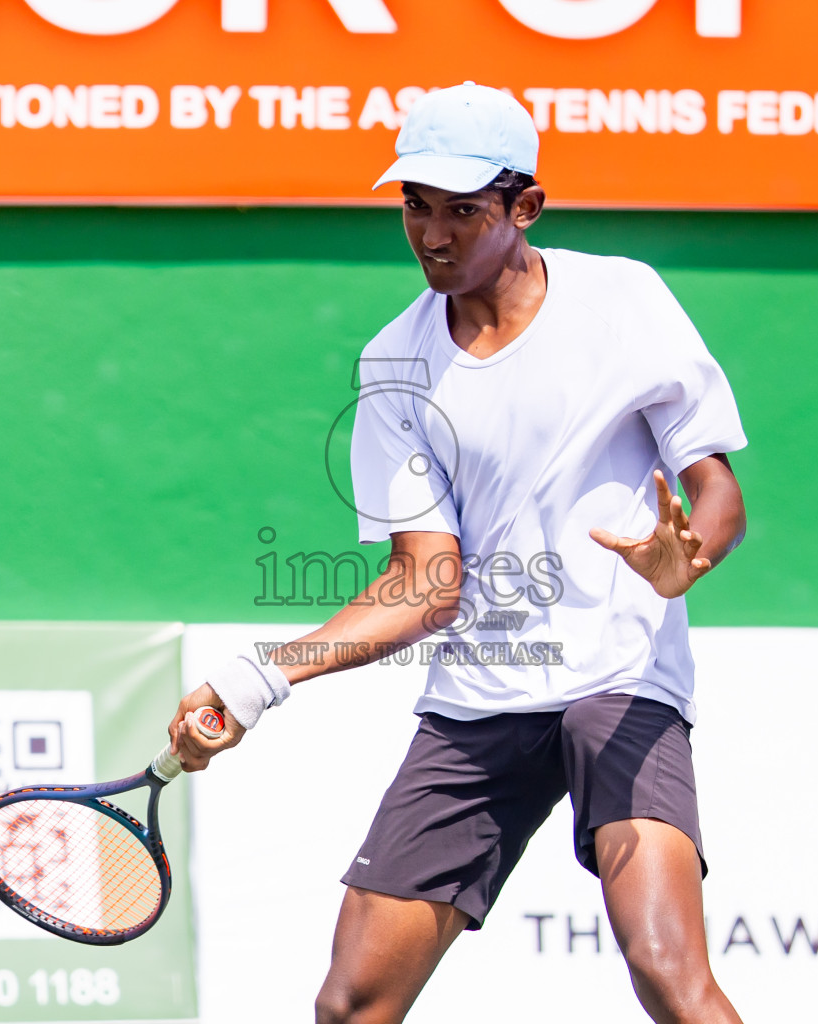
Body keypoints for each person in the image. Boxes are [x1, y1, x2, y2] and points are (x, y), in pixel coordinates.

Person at [167, 82, 748, 1024]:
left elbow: (715, 493)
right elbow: (427, 583)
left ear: (524, 209)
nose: (433, 234)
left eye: (463, 211)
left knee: (667, 970)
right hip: (480, 699)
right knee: (352, 1002)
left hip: (621, 680)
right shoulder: (392, 361)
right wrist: (258, 677)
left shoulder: (624, 297)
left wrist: (691, 559)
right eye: (415, 206)